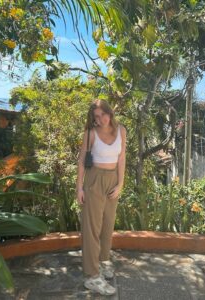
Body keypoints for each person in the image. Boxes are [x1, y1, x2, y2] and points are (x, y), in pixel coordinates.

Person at [76, 99, 126, 296]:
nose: (101, 119)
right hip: (94, 180)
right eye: (96, 116)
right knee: (92, 228)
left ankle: (103, 260)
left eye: (103, 114)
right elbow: (81, 162)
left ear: (110, 112)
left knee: (107, 224)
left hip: (113, 178)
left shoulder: (121, 130)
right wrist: (79, 188)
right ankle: (92, 276)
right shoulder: (90, 134)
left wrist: (120, 183)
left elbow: (122, 158)